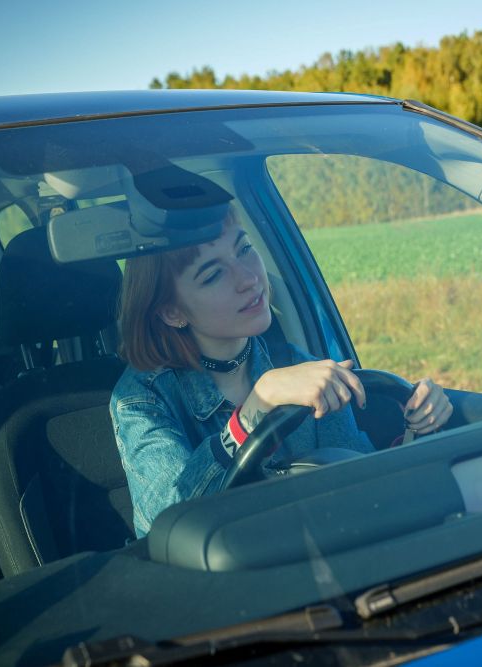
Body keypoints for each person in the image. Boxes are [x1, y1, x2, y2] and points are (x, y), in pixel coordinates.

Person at [110, 209, 454, 537]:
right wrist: (256, 407)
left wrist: (418, 428)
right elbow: (170, 523)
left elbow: (356, 482)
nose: (248, 278)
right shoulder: (142, 398)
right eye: (213, 274)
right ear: (172, 313)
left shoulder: (297, 363)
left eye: (244, 249)